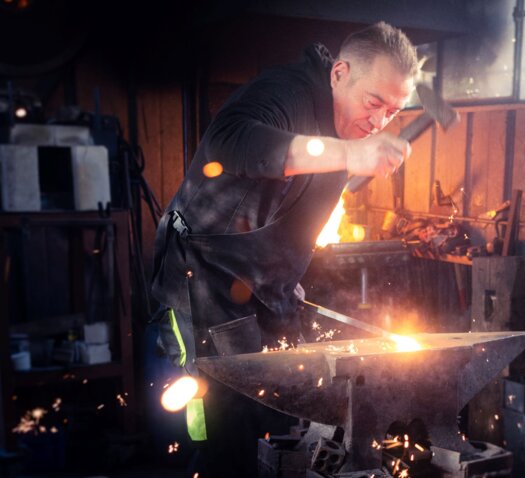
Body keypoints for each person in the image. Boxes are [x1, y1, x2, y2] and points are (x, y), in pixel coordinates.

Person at [150, 22, 419, 477]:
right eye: (374, 102)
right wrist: (348, 155)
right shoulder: (285, 91)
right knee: (221, 425)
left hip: (269, 286)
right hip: (202, 278)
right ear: (339, 74)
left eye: (392, 112)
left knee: (287, 411)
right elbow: (229, 141)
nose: (378, 122)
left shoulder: (348, 129)